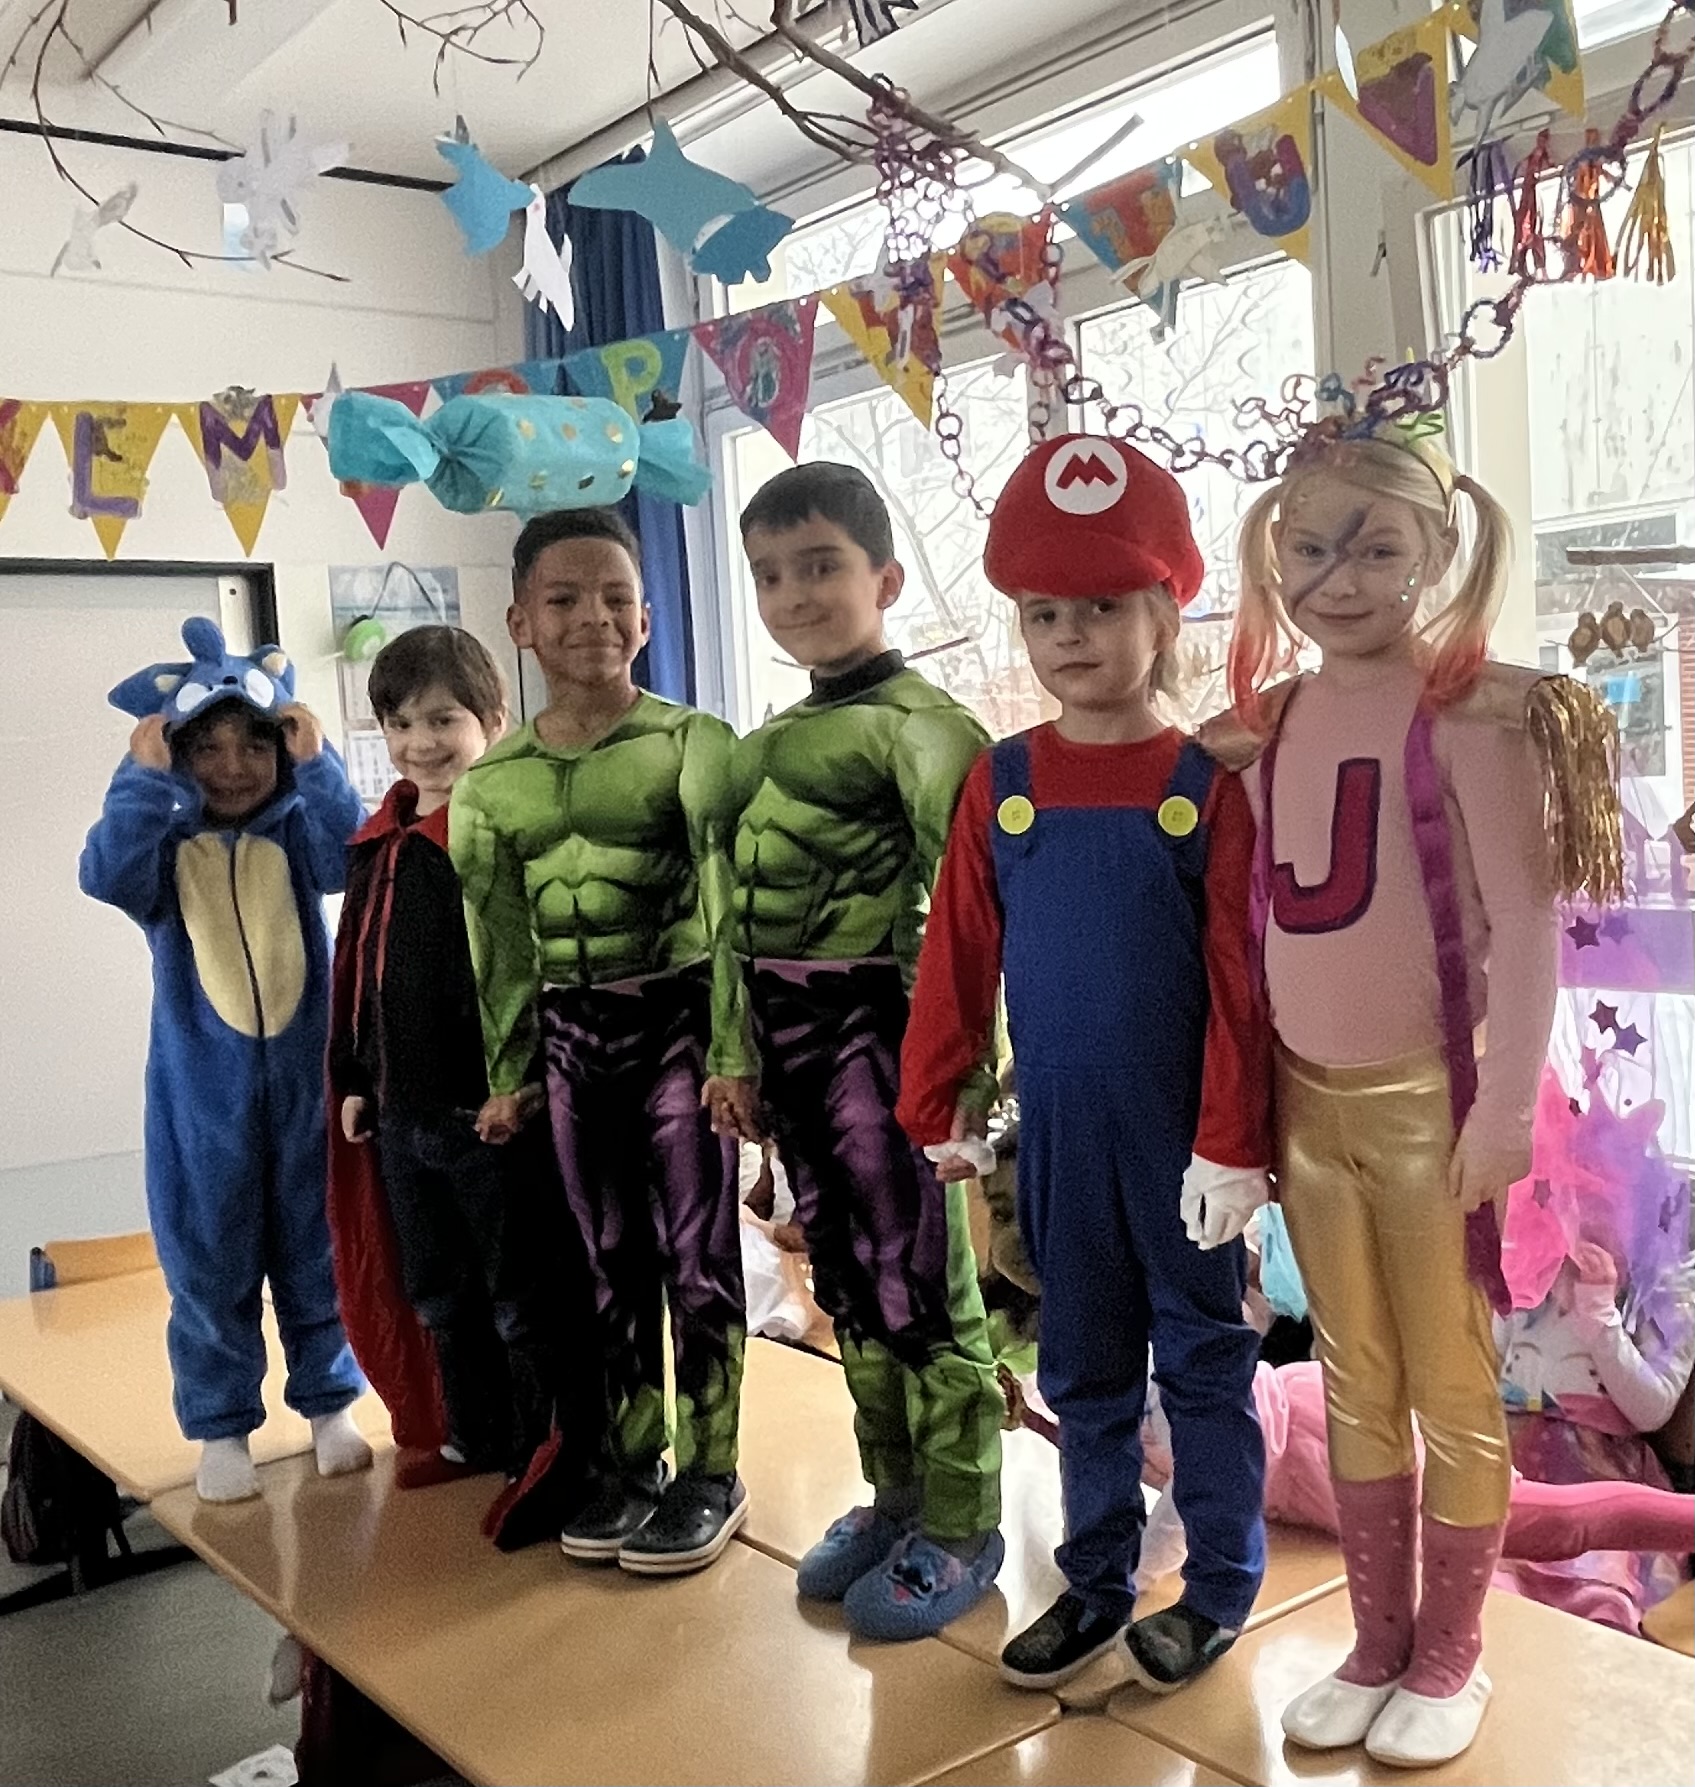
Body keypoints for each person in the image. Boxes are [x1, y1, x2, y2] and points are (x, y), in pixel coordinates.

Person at [1208, 420, 1621, 1766]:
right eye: (1309, 548)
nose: (1337, 579)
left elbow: (1529, 926)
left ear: (1436, 553)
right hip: (1307, 1105)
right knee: (1353, 1373)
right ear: (1272, 556)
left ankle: (1451, 1648)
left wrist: (1501, 1110)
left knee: (1450, 1381)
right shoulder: (1269, 721)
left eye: (1374, 548)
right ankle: (1374, 1637)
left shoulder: (1472, 717)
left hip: (1428, 1105)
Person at [899, 434, 1270, 1691]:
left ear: (1165, 615)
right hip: (1056, 1135)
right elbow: (957, 951)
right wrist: (939, 1098)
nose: (1070, 635)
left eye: (1102, 607)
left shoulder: (1203, 786)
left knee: (1204, 1364)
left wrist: (1233, 1143)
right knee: (1082, 1365)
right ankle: (1097, 1580)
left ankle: (1218, 1585)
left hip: (1183, 1146)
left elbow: (1240, 983)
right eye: (1044, 612)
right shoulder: (1001, 783)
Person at [712, 461, 1004, 1643]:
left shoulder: (928, 729)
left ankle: (965, 1517)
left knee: (920, 1284)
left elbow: (974, 922)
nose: (793, 595)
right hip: (788, 1045)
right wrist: (734, 1055)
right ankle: (895, 1494)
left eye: (820, 565)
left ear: (885, 577)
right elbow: (731, 918)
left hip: (886, 1037)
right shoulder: (765, 742)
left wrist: (967, 1084)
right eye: (769, 574)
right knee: (844, 1284)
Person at [450, 508, 749, 1577]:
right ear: (520, 622)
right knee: (607, 1262)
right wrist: (511, 1074)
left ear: (648, 618)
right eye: (566, 598)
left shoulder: (692, 745)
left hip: (677, 1020)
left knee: (697, 1258)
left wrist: (734, 1054)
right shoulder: (490, 784)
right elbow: (498, 943)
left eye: (617, 596)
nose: (595, 617)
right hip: (574, 1037)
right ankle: (633, 1462)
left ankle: (712, 1468)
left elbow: (729, 913)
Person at [80, 619, 370, 1503]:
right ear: (177, 753)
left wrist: (318, 764)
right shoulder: (162, 852)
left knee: (319, 1251)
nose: (235, 766)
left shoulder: (298, 833)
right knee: (210, 1267)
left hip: (308, 1090)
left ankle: (330, 1407)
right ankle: (221, 1426)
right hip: (200, 1104)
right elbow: (105, 872)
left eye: (255, 743)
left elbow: (351, 851)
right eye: (207, 747)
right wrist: (143, 778)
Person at [328, 626, 575, 1489]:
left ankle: (540, 1446)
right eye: (400, 724)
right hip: (402, 1115)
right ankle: (471, 1434)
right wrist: (356, 1078)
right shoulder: (381, 842)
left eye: (442, 720)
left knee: (517, 1290)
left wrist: (524, 1081)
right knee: (437, 1287)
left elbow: (534, 973)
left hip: (487, 1113)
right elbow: (360, 971)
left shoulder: (504, 831)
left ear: (493, 720)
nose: (420, 743)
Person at [1132, 1360, 1695, 1619]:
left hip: (1374, 1456)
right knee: (1552, 1525)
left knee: (1560, 1523)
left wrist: (1132, 1575)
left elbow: (1205, 1476)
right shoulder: (1130, 1395)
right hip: (1337, 1457)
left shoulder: (1158, 1389)